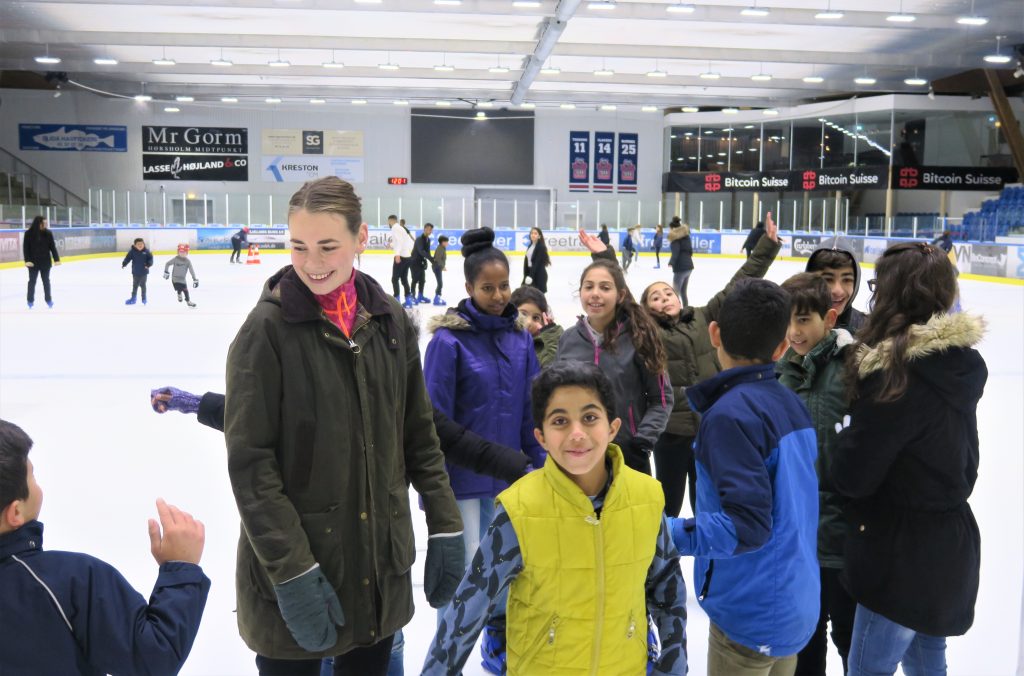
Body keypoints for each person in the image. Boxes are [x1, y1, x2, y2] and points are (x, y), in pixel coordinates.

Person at [224, 176, 464, 676]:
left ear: (361, 238)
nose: (312, 263)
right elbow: (252, 469)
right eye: (298, 246)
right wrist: (293, 573)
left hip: (376, 571)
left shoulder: (391, 322)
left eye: (328, 246)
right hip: (296, 573)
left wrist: (444, 521)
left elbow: (418, 434)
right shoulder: (264, 333)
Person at [422, 362, 688, 676]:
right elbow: (465, 613)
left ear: (612, 427)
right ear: (542, 436)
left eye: (590, 417)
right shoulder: (520, 509)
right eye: (560, 421)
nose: (577, 434)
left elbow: (667, 588)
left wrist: (673, 667)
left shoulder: (646, 496)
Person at [830, 242, 986, 676]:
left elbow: (853, 476)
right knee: (927, 660)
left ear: (896, 295)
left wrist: (844, 439)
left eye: (879, 286)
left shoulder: (898, 378)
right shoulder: (956, 365)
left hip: (900, 559)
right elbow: (965, 467)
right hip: (947, 549)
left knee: (866, 669)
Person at [669, 278, 819, 676]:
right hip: (793, 599)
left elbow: (747, 527)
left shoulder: (731, 416)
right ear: (782, 347)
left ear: (714, 333)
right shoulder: (790, 403)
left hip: (751, 613)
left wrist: (665, 532)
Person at [0, 419, 210, 675]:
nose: (38, 484)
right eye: (32, 475)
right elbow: (152, 657)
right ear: (16, 512)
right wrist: (181, 568)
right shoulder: (68, 581)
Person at [639, 212, 781, 517]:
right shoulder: (647, 336)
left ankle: (709, 560)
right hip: (672, 434)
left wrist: (767, 246)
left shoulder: (703, 316)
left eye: (668, 292)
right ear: (645, 309)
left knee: (709, 504)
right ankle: (662, 561)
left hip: (710, 428)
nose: (664, 298)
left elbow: (738, 285)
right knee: (668, 507)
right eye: (655, 297)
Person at [423, 227, 546, 570]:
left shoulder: (520, 339)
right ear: (469, 288)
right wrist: (434, 488)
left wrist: (541, 464)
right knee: (463, 575)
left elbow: (530, 411)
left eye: (504, 285)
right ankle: (453, 627)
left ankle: (498, 625)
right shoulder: (448, 343)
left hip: (508, 476)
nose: (498, 296)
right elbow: (434, 421)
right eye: (487, 288)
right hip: (459, 479)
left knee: (504, 567)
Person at [776, 273, 857, 675]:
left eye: (804, 320)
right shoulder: (779, 374)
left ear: (829, 317)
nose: (794, 332)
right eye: (787, 321)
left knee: (850, 639)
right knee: (805, 643)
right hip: (797, 541)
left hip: (843, 540)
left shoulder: (855, 368)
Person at [556, 258, 673, 475]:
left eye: (605, 287)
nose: (595, 294)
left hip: (628, 454)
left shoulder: (639, 338)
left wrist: (642, 442)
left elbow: (661, 399)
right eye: (588, 287)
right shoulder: (568, 339)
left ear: (620, 295)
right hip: (579, 453)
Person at [805, 238, 866, 334]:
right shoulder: (792, 323)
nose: (838, 290)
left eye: (847, 280)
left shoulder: (867, 329)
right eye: (828, 279)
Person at [510, 285, 563, 367]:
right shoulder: (503, 339)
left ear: (543, 321)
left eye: (535, 318)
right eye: (523, 314)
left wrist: (551, 334)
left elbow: (552, 371)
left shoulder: (542, 347)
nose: (529, 322)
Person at [22, 215, 60, 309]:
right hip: (33, 263)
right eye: (44, 223)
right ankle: (30, 300)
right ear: (39, 223)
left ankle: (48, 300)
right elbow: (26, 249)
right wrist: (27, 260)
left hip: (45, 262)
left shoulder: (48, 233)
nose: (46, 225)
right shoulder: (28, 234)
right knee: (32, 282)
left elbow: (52, 247)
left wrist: (56, 259)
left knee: (46, 281)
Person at [389, 214, 415, 308]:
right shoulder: (401, 228)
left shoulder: (395, 228)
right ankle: (408, 300)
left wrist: (397, 254)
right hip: (407, 256)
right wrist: (391, 245)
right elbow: (401, 242)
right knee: (404, 279)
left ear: (390, 221)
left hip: (402, 257)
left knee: (395, 279)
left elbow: (399, 242)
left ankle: (397, 300)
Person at [667, 217, 694, 307]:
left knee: (675, 292)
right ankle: (686, 309)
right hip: (689, 267)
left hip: (680, 268)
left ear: (673, 229)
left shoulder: (675, 239)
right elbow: (690, 251)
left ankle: (676, 311)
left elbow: (676, 252)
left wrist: (671, 262)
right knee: (683, 291)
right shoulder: (687, 237)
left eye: (670, 228)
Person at [163, 243, 199, 308]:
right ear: (178, 252)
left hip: (182, 279)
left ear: (187, 253)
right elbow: (167, 264)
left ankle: (188, 301)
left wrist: (194, 279)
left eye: (184, 252)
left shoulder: (188, 261)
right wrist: (166, 271)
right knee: (181, 288)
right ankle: (179, 294)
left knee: (185, 290)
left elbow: (191, 270)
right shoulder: (175, 259)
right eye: (181, 252)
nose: (182, 253)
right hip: (175, 278)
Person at [122, 237, 153, 305]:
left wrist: (148, 264)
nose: (140, 245)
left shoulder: (146, 251)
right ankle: (133, 298)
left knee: (143, 285)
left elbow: (150, 259)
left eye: (142, 244)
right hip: (135, 272)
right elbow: (128, 258)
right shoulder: (132, 251)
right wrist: (124, 263)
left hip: (144, 272)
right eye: (138, 244)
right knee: (135, 285)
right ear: (135, 245)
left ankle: (144, 298)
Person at [412, 223, 434, 304]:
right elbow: (421, 251)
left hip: (421, 262)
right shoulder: (419, 239)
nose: (429, 230)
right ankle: (412, 296)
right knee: (415, 279)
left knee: (422, 280)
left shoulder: (428, 240)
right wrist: (431, 259)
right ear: (424, 229)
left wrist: (432, 261)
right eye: (427, 228)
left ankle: (420, 296)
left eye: (431, 229)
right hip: (414, 262)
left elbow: (427, 252)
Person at [523, 226, 550, 293]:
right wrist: (526, 275)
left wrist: (530, 276)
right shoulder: (530, 246)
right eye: (532, 233)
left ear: (539, 236)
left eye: (535, 233)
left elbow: (536, 263)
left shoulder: (541, 247)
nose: (533, 235)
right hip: (530, 273)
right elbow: (527, 262)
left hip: (538, 275)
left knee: (537, 297)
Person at [432, 235, 449, 306]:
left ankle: (437, 297)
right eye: (446, 242)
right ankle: (436, 299)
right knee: (440, 283)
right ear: (442, 242)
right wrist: (442, 266)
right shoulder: (440, 249)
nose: (447, 243)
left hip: (437, 267)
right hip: (437, 267)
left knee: (440, 283)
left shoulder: (442, 248)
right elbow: (438, 259)